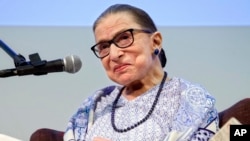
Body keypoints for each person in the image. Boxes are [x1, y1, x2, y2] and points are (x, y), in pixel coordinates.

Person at [64, 4, 219, 141]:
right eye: (104, 47)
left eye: (124, 37)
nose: (113, 54)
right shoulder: (94, 105)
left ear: (155, 42)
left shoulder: (190, 100)